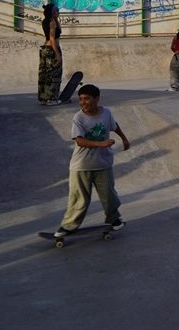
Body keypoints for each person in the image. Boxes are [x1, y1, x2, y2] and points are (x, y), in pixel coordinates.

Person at [53, 84, 131, 238]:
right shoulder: (79, 117)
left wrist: (124, 138)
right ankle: (68, 226)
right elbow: (80, 141)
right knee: (79, 198)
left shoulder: (106, 113)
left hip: (103, 164)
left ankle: (114, 220)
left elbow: (114, 126)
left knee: (109, 196)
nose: (83, 102)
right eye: (80, 99)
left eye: (87, 98)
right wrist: (101, 144)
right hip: (81, 166)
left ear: (97, 99)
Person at [38, 3, 62, 105]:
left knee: (44, 74)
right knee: (54, 74)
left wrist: (56, 19)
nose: (58, 12)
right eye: (57, 10)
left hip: (45, 49)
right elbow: (52, 38)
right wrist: (57, 54)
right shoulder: (52, 23)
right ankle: (51, 99)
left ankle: (43, 98)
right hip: (52, 48)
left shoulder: (46, 21)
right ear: (52, 12)